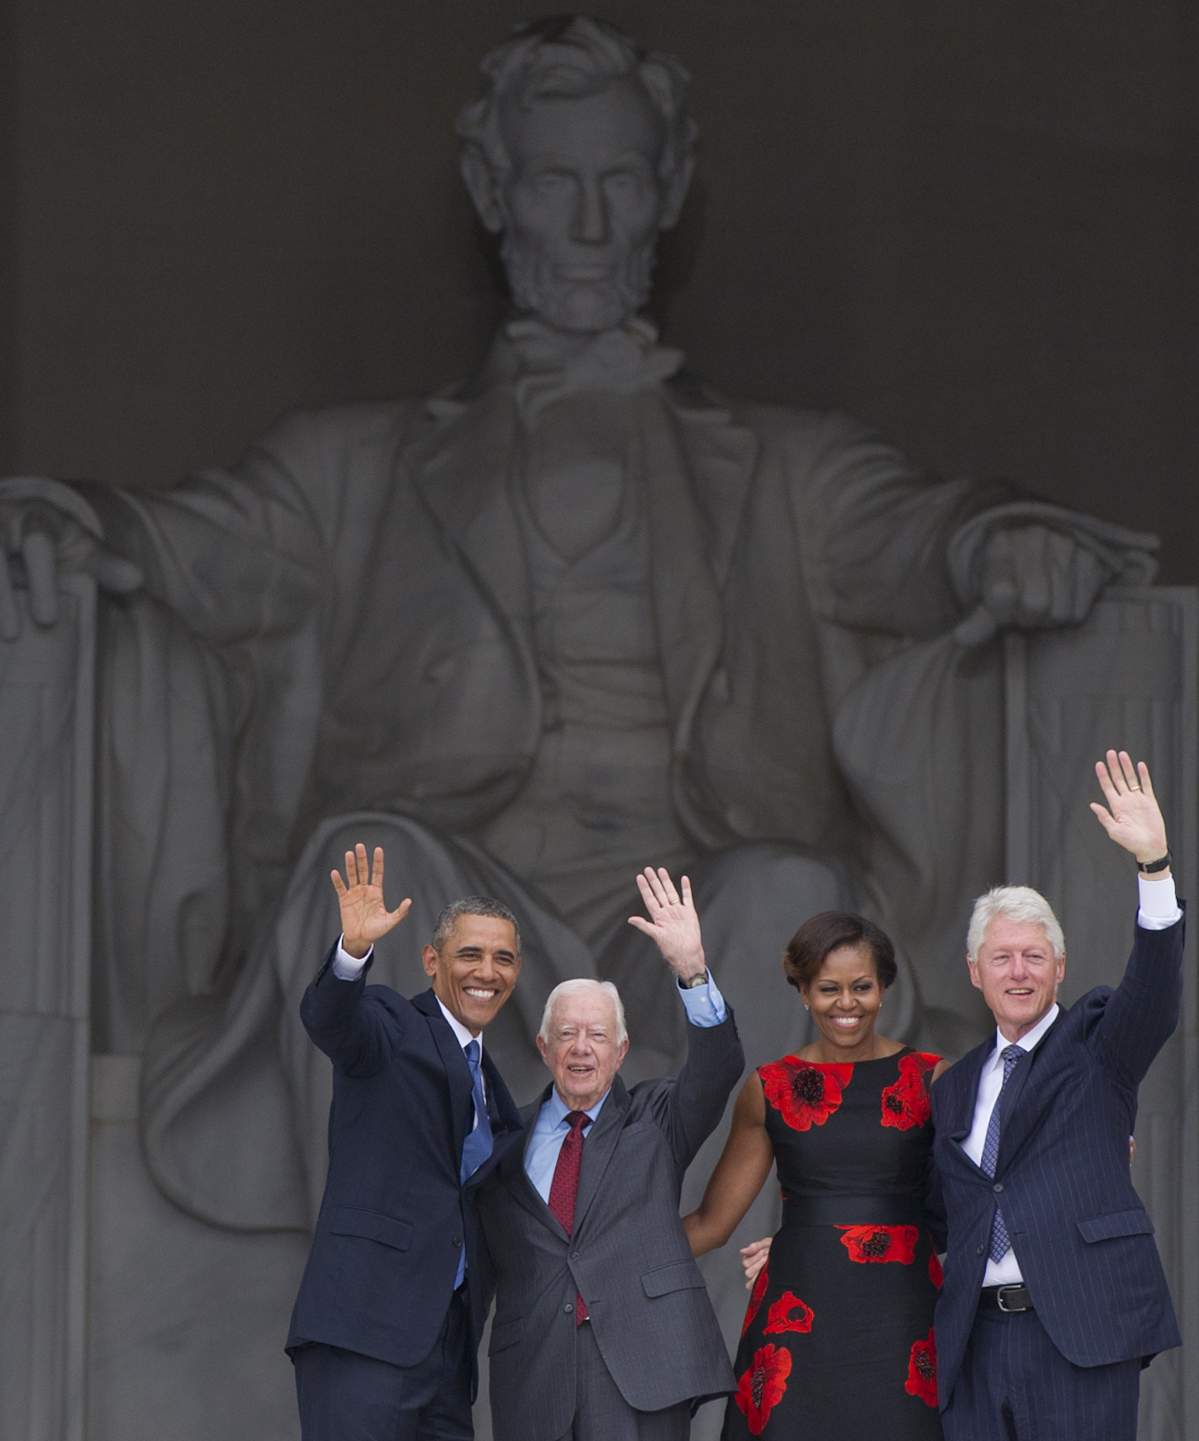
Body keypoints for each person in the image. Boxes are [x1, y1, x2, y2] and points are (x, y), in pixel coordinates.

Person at [0, 16, 1156, 1244]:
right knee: (373, 874)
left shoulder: (784, 469)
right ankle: (426, 1339)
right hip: (463, 874)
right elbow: (193, 547)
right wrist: (83, 526)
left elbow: (925, 538)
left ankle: (726, 1368)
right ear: (497, 194)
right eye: (556, 182)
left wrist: (998, 546)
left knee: (793, 897)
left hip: (684, 897)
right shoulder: (353, 468)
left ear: (664, 195)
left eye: (619, 182)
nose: (592, 226)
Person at [930, 748, 1182, 1440]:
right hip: (974, 1344)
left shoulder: (1097, 1044)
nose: (1018, 971)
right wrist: (806, 1243)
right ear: (974, 971)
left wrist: (1152, 867)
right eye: (1002, 957)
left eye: (1033, 956)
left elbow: (1154, 997)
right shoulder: (951, 1088)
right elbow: (929, 1211)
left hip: (1077, 1329)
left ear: (1059, 967)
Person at [477, 865, 744, 1441]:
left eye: (597, 1035)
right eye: (566, 1035)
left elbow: (718, 1069)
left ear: (621, 1051)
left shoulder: (656, 1121)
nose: (580, 1049)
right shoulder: (503, 1138)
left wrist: (692, 970)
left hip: (640, 1367)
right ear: (543, 1047)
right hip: (535, 1374)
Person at [285, 843, 524, 1440]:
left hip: (446, 1352)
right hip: (364, 1331)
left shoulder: (491, 1084)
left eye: (504, 958)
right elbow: (331, 1019)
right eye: (469, 954)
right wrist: (353, 952)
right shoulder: (392, 1026)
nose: (487, 972)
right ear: (430, 960)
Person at [682, 908, 948, 1438]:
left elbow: (975, 1196)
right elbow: (712, 1223)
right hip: (798, 1315)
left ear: (884, 988)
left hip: (904, 1314)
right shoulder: (770, 1087)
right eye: (828, 988)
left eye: (862, 987)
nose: (846, 1004)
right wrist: (611, 1256)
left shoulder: (932, 1078)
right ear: (803, 992)